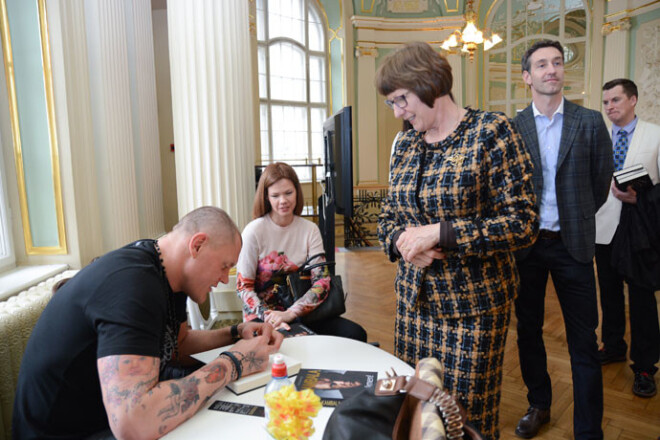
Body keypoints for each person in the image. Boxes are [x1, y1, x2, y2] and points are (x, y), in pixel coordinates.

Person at [375, 41, 538, 439]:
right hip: (413, 308)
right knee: (416, 413)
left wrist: (442, 232)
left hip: (473, 311)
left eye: (401, 99)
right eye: (391, 103)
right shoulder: (405, 146)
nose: (397, 112)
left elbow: (523, 222)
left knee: (463, 419)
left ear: (428, 84)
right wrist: (400, 242)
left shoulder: (492, 133)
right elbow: (387, 219)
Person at [13, 206, 283, 440]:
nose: (225, 278)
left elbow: (178, 346)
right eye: (224, 265)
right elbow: (133, 425)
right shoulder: (133, 285)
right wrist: (233, 363)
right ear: (197, 245)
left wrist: (235, 334)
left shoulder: (167, 274)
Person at [512, 40, 613, 439]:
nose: (551, 69)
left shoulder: (589, 122)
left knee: (584, 339)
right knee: (528, 329)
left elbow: (601, 181)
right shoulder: (514, 126)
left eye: (556, 62)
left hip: (573, 245)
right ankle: (539, 404)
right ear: (528, 77)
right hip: (527, 246)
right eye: (541, 64)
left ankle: (588, 430)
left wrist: (576, 214)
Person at [236, 162, 367, 341]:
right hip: (263, 317)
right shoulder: (254, 231)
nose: (283, 201)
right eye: (275, 195)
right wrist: (270, 316)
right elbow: (243, 287)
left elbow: (321, 282)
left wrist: (290, 313)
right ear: (266, 197)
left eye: (288, 193)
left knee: (355, 334)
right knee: (292, 343)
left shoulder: (309, 229)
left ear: (297, 191)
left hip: (303, 312)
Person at [595, 78, 660, 397]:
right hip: (603, 229)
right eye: (606, 102)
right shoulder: (599, 137)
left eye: (616, 100)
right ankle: (613, 346)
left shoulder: (656, 134)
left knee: (642, 300)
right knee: (609, 295)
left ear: (633, 100)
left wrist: (642, 199)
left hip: (640, 232)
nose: (610, 107)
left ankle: (646, 367)